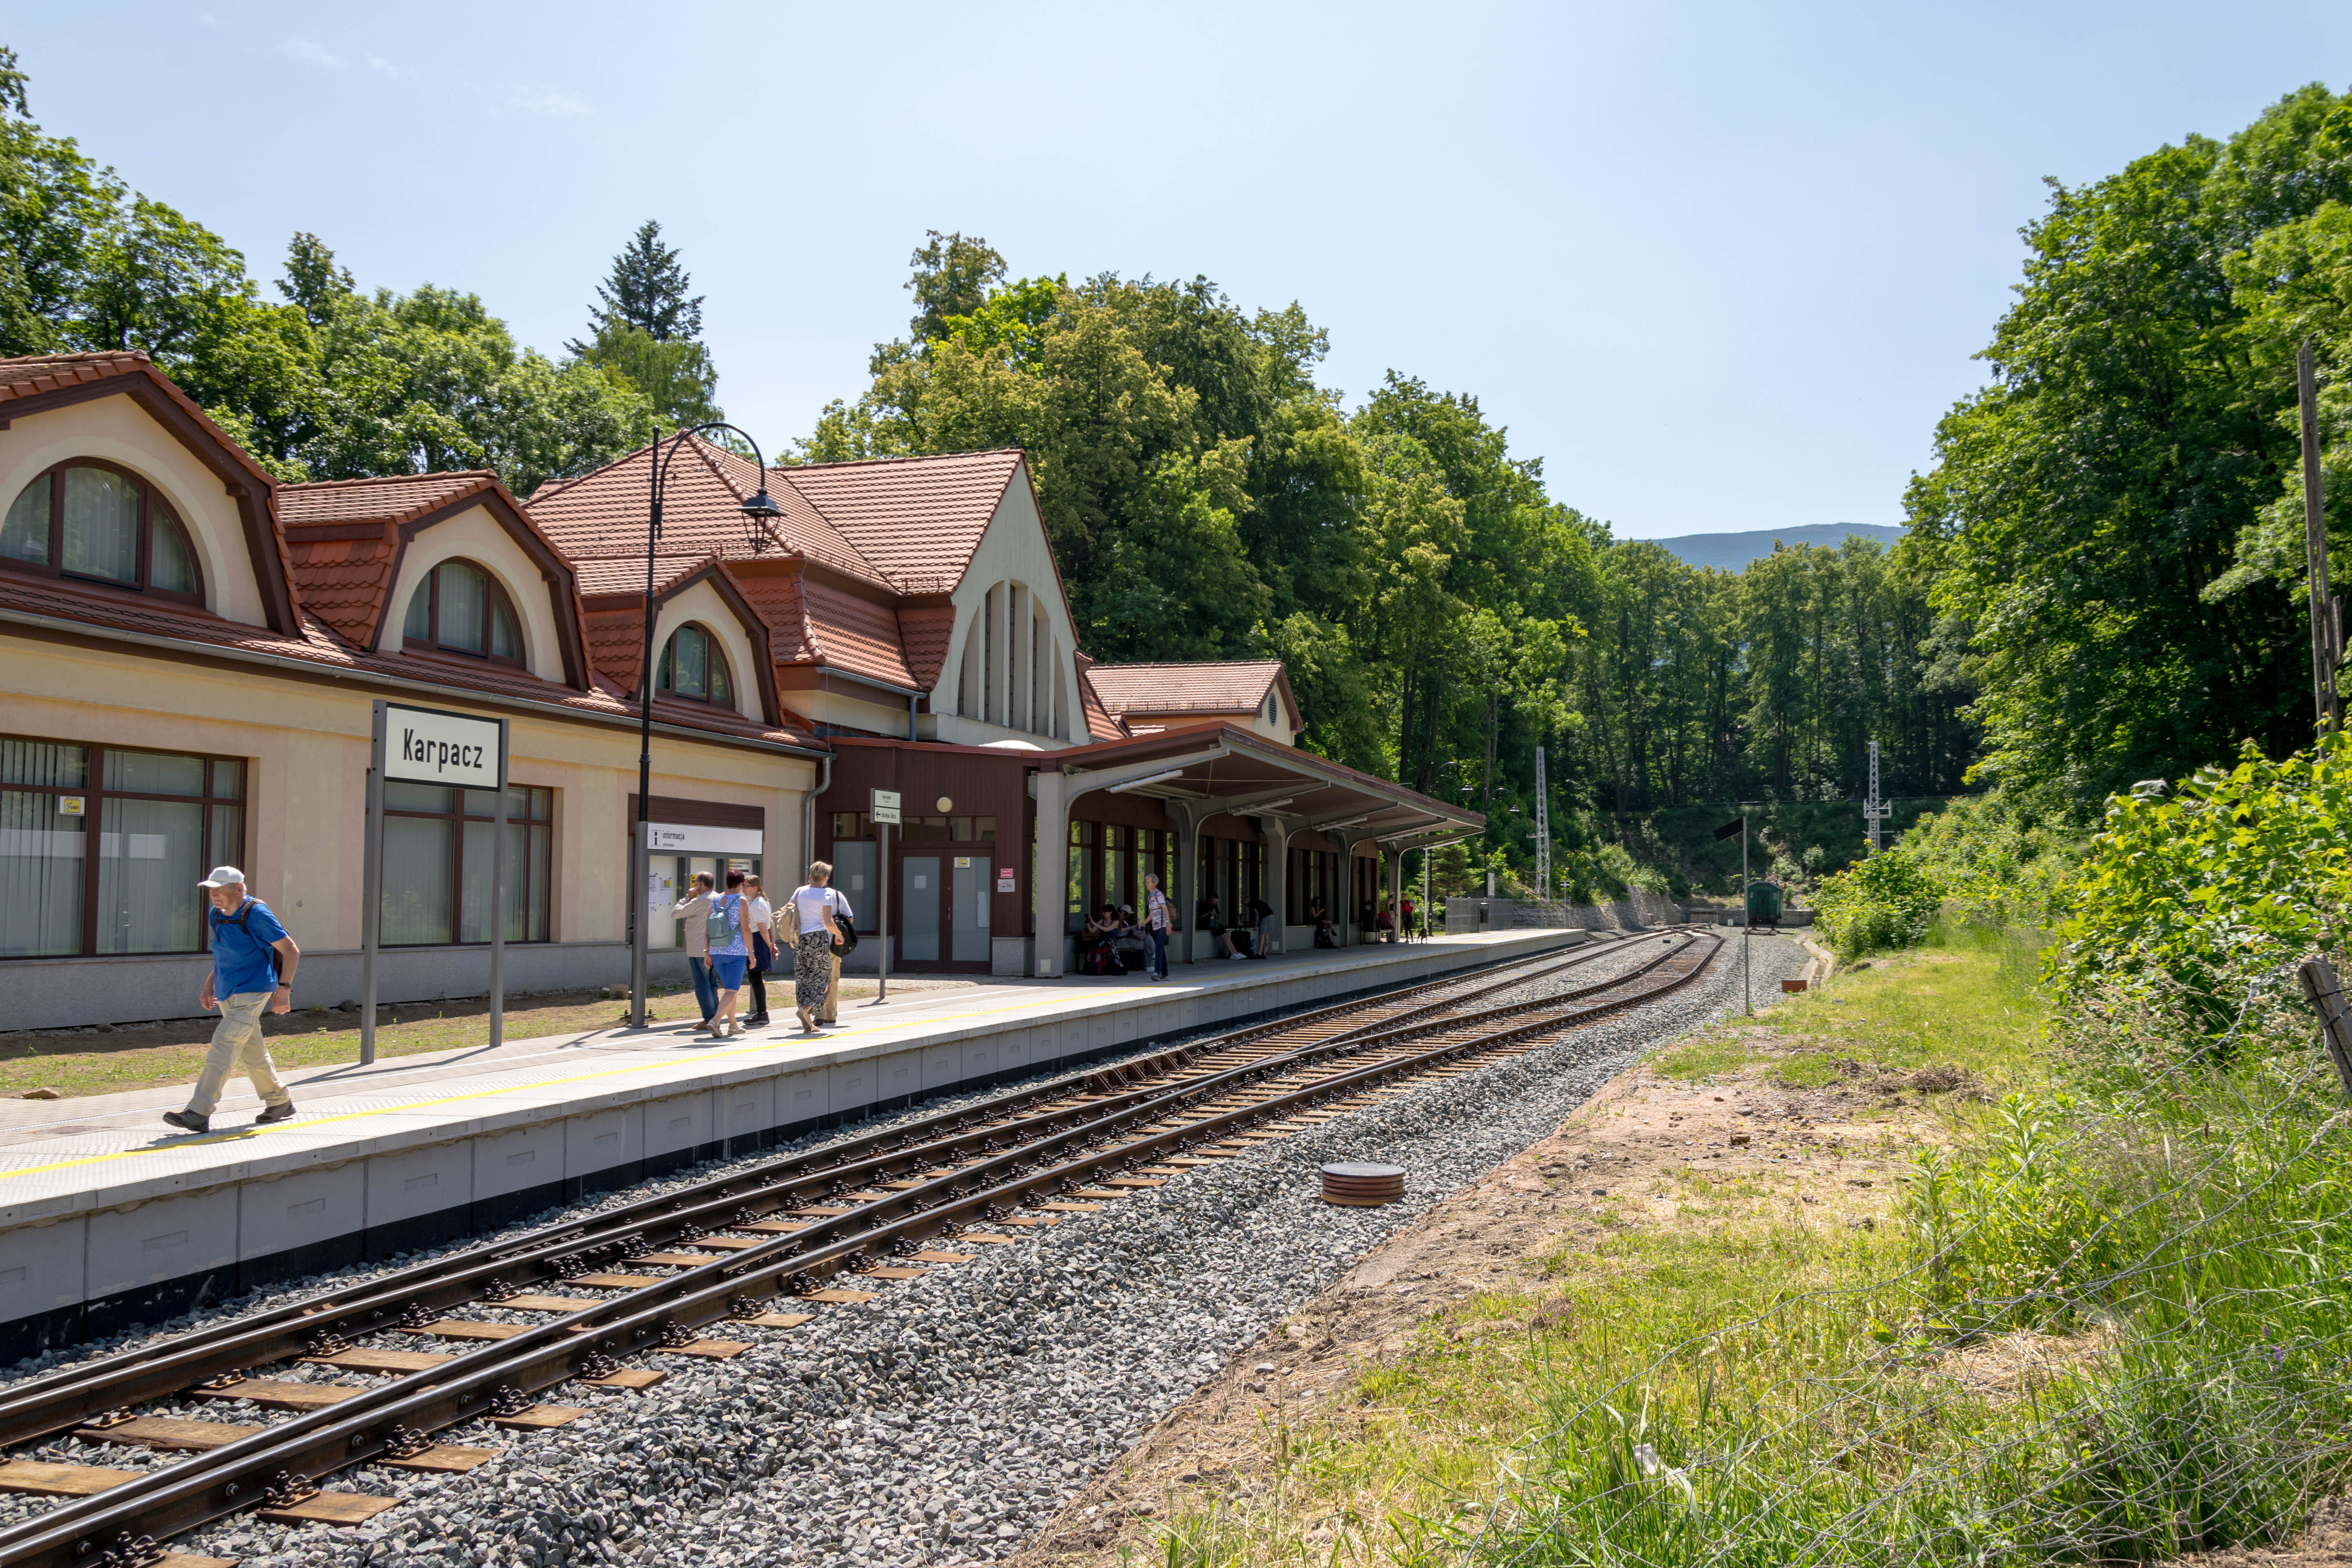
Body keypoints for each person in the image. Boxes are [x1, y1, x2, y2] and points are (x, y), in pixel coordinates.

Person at [163, 866, 299, 1134]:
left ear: (237, 888)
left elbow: (291, 951)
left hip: (254, 989)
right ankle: (280, 1101)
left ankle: (199, 1111)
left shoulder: (256, 913)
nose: (214, 894)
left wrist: (284, 990)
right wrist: (209, 985)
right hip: (227, 991)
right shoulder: (217, 914)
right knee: (251, 1052)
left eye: (220, 889)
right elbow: (224, 954)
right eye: (211, 889)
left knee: (223, 1045)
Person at [787, 861, 844, 1034]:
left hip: (800, 940)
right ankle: (805, 1009)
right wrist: (839, 934)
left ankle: (808, 1022)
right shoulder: (826, 894)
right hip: (818, 940)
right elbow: (828, 922)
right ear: (826, 877)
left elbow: (788, 910)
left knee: (804, 978)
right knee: (823, 979)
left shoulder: (799, 891)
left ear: (812, 875)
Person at [702, 869, 752, 1038]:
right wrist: (751, 953)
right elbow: (746, 929)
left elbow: (708, 928)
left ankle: (733, 1025)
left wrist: (707, 952)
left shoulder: (715, 900)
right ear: (740, 884)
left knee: (730, 991)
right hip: (736, 952)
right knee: (732, 990)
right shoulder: (742, 901)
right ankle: (716, 1021)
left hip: (717, 951)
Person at [672, 872, 718, 1027]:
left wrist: (687, 897)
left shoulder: (701, 901)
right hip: (716, 949)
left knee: (702, 985)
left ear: (700, 885)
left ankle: (709, 1019)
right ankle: (715, 1018)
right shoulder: (718, 898)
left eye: (695, 882)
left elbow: (676, 914)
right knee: (712, 984)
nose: (693, 886)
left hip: (699, 950)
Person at [816, 877, 854, 1027]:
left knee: (817, 977)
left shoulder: (805, 894)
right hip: (834, 942)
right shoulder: (837, 895)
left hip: (813, 941)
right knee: (832, 978)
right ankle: (831, 1014)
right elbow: (850, 918)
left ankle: (819, 1013)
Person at [743, 873, 775, 1029]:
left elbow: (763, 928)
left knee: (755, 978)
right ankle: (762, 1013)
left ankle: (762, 1013)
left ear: (754, 888)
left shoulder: (755, 905)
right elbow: (770, 924)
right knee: (756, 978)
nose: (743, 888)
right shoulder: (764, 902)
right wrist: (772, 943)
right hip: (762, 941)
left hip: (757, 941)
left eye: (746, 886)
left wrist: (769, 944)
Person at [1143, 871, 1172, 981]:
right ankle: (1165, 974)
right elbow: (1152, 913)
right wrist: (1144, 923)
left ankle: (1157, 973)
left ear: (1154, 883)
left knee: (1158, 948)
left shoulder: (1158, 895)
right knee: (1161, 949)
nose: (1147, 884)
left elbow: (1165, 909)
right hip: (1155, 927)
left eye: (1148, 882)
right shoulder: (1150, 897)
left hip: (1163, 925)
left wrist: (1168, 924)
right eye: (1146, 882)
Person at [1199, 891, 1241, 960]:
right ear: (1210, 899)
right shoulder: (1205, 905)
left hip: (1215, 923)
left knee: (1227, 936)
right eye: (1213, 901)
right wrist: (1209, 913)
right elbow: (1201, 917)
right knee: (1225, 937)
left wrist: (1216, 915)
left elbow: (1218, 914)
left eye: (1216, 901)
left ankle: (1236, 952)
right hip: (1208, 924)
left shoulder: (1215, 905)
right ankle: (1232, 954)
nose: (1214, 903)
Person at [1253, 895, 1280, 959]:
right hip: (1272, 916)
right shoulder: (1262, 903)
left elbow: (1257, 915)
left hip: (1265, 918)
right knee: (1267, 936)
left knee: (1262, 936)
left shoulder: (1254, 905)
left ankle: (1259, 954)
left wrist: (1256, 925)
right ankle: (1264, 954)